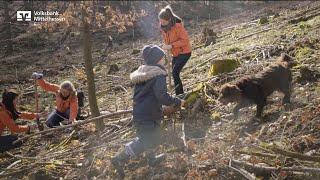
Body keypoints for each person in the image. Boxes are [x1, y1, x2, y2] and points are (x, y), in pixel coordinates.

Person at [111, 45, 186, 178]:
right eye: (162, 58)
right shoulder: (158, 74)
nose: (164, 60)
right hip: (148, 113)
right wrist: (177, 101)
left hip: (142, 112)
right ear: (156, 59)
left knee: (152, 136)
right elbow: (161, 96)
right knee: (147, 139)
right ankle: (119, 158)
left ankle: (152, 159)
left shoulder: (144, 74)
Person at [159, 5, 192, 95]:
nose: (161, 23)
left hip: (184, 52)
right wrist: (166, 45)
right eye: (160, 20)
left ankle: (180, 95)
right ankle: (178, 93)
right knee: (173, 73)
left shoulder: (177, 26)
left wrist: (171, 46)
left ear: (169, 20)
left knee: (175, 73)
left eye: (163, 21)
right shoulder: (163, 27)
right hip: (175, 54)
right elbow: (166, 40)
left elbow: (185, 40)